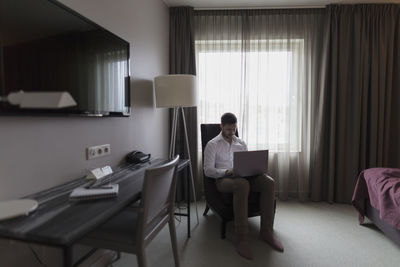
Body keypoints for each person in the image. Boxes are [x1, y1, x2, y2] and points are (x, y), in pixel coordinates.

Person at [203, 112, 284, 260]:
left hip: (245, 176)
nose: (231, 132)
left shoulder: (241, 143)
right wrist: (227, 171)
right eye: (228, 129)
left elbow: (247, 163)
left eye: (234, 129)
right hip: (223, 179)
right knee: (242, 185)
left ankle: (266, 232)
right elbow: (208, 170)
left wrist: (255, 169)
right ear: (221, 126)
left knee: (268, 182)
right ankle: (242, 237)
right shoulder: (212, 144)